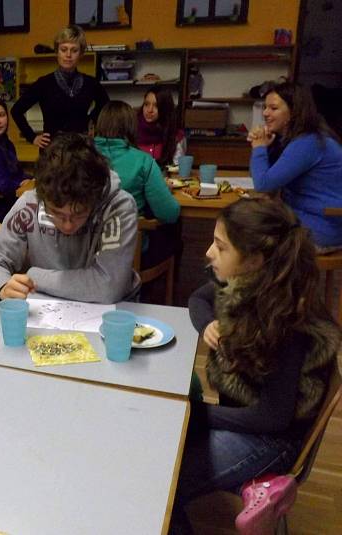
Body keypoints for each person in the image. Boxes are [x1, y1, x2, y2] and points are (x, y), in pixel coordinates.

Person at [171, 197, 340, 534]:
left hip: (271, 439)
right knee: (165, 446)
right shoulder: (253, 280)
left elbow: (272, 418)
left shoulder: (288, 322)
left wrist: (197, 413)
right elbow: (198, 299)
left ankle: (263, 479)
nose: (208, 253)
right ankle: (252, 488)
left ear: (253, 261)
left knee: (164, 476)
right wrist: (208, 325)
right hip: (247, 419)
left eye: (220, 247)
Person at [0, 133, 139, 303]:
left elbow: (108, 287)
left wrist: (34, 276)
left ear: (95, 199)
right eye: (56, 213)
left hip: (110, 313)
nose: (68, 226)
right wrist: (2, 286)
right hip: (48, 310)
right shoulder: (30, 203)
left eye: (79, 214)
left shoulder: (117, 206)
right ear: (43, 198)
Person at [247, 81, 342, 250]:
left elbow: (263, 184)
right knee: (246, 222)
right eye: (265, 107)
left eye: (273, 108)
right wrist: (266, 147)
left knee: (246, 232)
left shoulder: (308, 142)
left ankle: (256, 276)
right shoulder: (300, 139)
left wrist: (259, 147)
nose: (265, 113)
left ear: (293, 112)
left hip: (323, 226)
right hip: (308, 218)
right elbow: (266, 179)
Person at [94, 101, 181, 269]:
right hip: (129, 251)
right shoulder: (143, 161)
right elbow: (169, 213)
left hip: (84, 248)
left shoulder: (80, 155)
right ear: (132, 127)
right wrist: (163, 191)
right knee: (174, 238)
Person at [10, 25, 108, 149]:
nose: (68, 55)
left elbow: (106, 105)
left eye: (74, 50)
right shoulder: (44, 84)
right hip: (52, 151)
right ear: (57, 51)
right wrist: (32, 137)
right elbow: (16, 110)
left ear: (81, 53)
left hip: (81, 149)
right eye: (64, 49)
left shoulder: (90, 83)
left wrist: (91, 120)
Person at [136, 86, 186, 167]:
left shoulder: (176, 136)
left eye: (156, 106)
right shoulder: (132, 130)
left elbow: (176, 169)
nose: (150, 110)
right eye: (146, 104)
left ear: (165, 108)